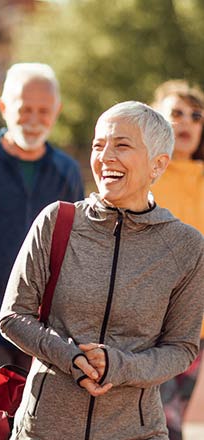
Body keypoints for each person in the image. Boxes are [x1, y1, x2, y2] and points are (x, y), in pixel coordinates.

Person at [0, 101, 204, 440]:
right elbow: (13, 316)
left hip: (137, 431)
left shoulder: (185, 246)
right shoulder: (56, 221)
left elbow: (181, 347)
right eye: (98, 145)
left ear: (158, 164)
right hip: (43, 429)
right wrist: (70, 357)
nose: (105, 156)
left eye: (122, 145)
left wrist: (119, 365)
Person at [0, 63, 84, 379]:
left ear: (57, 110)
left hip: (44, 331)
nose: (34, 120)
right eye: (25, 109)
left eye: (44, 110)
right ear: (4, 107)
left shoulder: (67, 171)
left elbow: (79, 245)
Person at [150, 79, 204, 440]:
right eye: (176, 113)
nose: (186, 122)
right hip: (149, 321)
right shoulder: (145, 176)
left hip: (197, 323)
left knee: (180, 418)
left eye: (196, 115)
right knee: (152, 417)